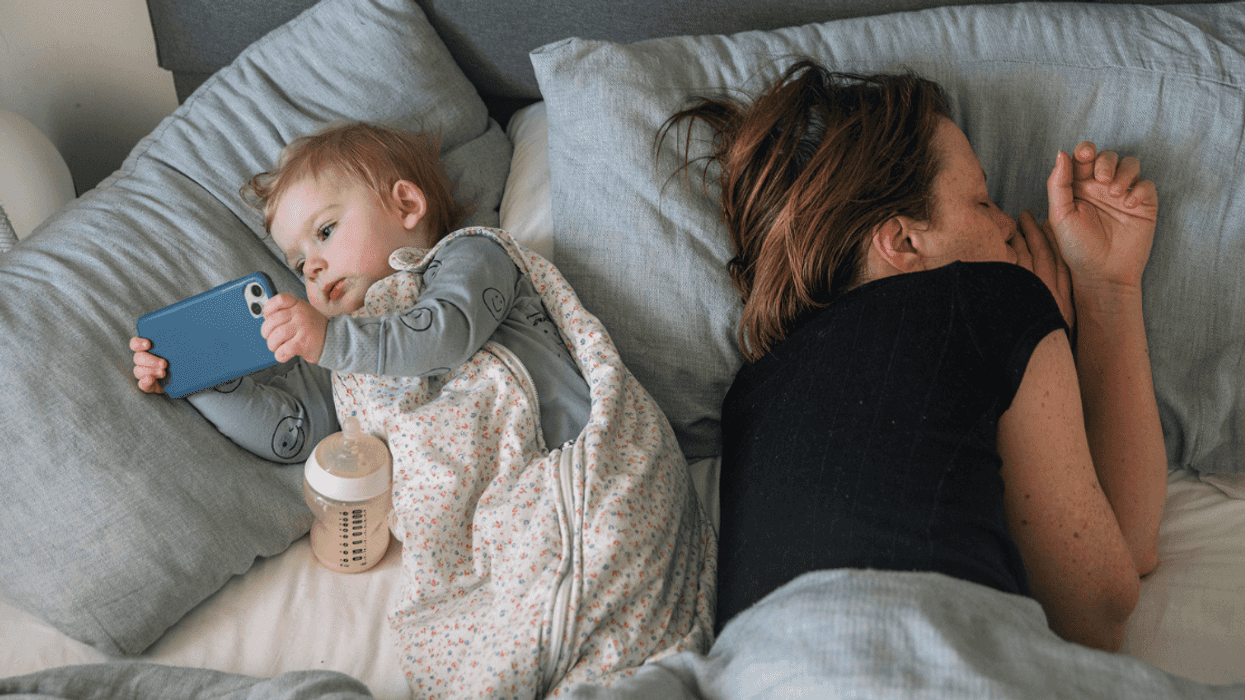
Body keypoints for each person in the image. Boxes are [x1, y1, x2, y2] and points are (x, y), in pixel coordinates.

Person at [664, 60, 1165, 652]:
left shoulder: (750, 393)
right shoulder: (986, 298)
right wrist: (1099, 295)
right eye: (982, 202)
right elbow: (1103, 595)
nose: (1010, 224)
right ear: (904, 241)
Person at [130, 122, 590, 461]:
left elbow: (445, 334)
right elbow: (296, 432)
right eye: (297, 264)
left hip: (566, 457)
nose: (311, 266)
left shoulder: (469, 255)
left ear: (406, 204)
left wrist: (329, 342)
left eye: (325, 230)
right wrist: (200, 377)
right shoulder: (339, 343)